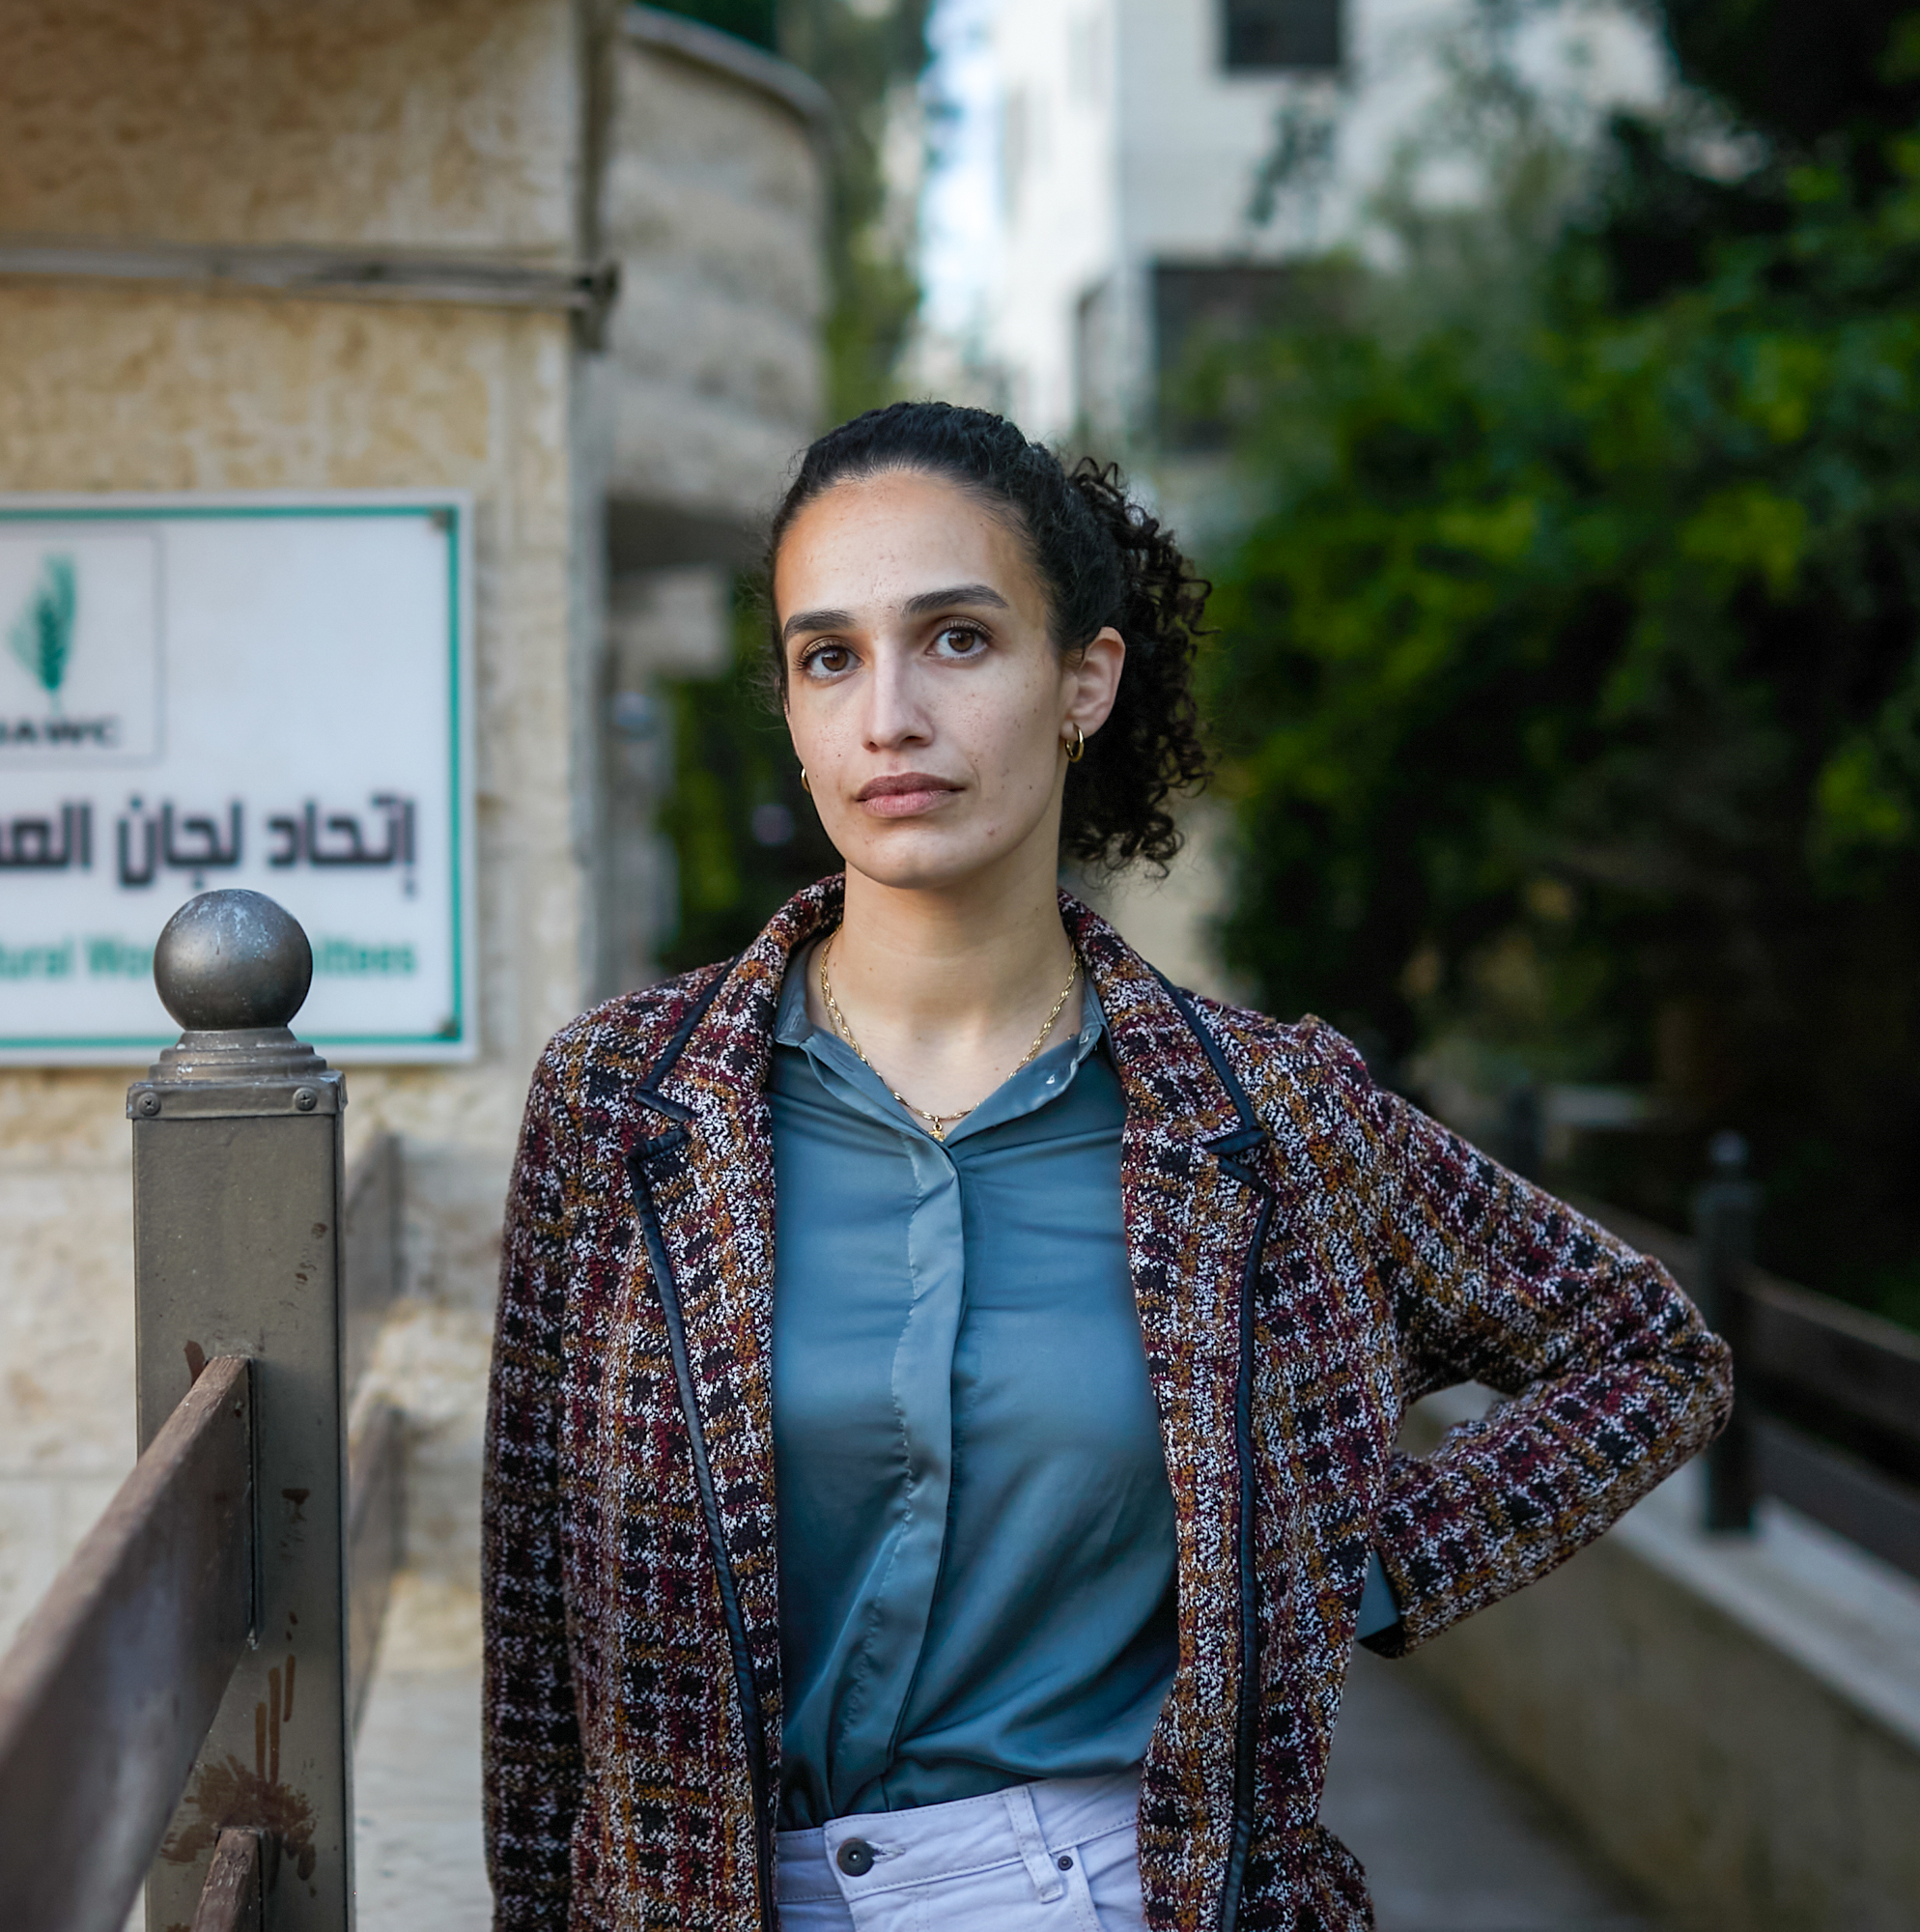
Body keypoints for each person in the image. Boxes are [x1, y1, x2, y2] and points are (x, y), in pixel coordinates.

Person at [479, 401, 1731, 1932]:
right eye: (830, 656)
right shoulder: (621, 1105)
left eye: (955, 640)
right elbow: (542, 1651)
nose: (887, 718)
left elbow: (1648, 1353)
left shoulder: (1264, 1119)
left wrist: (1346, 1570)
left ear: (1085, 679)